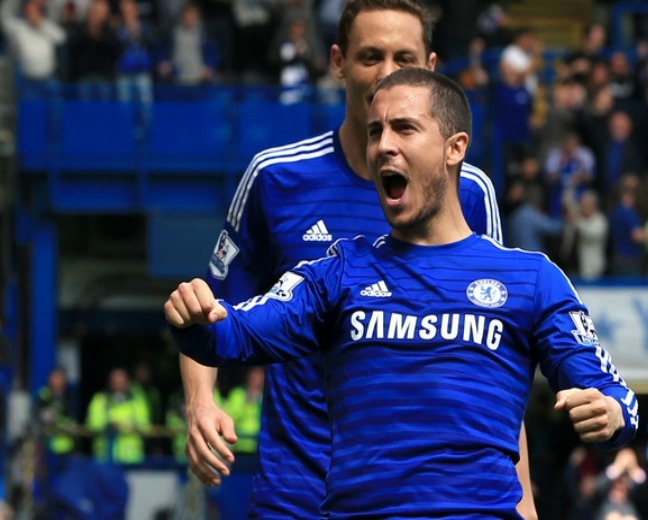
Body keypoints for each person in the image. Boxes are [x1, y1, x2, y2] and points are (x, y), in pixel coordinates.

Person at [166, 66, 639, 518]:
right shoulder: (338, 273)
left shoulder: (532, 279)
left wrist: (611, 413)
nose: (383, 146)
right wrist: (195, 318)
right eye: (376, 131)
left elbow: (612, 392)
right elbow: (233, 333)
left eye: (404, 129)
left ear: (455, 148)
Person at [177, 2, 538, 519]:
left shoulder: (470, 191)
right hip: (294, 496)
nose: (386, 73)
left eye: (403, 58)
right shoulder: (276, 179)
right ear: (338, 62)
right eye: (370, 56)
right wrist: (200, 403)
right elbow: (207, 308)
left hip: (418, 503)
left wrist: (523, 501)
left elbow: (499, 362)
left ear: (430, 68)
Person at [85, 367, 150, 464]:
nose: (119, 385)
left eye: (122, 382)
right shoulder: (100, 400)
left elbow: (145, 426)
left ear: (128, 383)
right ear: (110, 383)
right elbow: (92, 425)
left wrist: (125, 426)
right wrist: (109, 426)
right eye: (115, 382)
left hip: (132, 459)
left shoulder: (137, 401)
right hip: (105, 458)